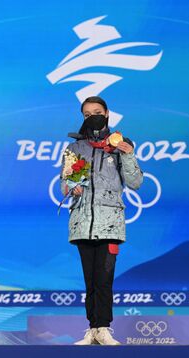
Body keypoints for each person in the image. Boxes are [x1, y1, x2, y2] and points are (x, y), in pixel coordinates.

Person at [61, 96, 143, 345]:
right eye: (87, 114)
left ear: (107, 114)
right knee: (90, 280)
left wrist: (127, 154)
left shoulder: (121, 145)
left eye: (97, 112)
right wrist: (72, 186)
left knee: (104, 279)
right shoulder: (74, 148)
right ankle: (92, 328)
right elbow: (63, 185)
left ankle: (104, 327)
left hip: (109, 221)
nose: (92, 117)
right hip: (82, 221)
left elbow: (136, 182)